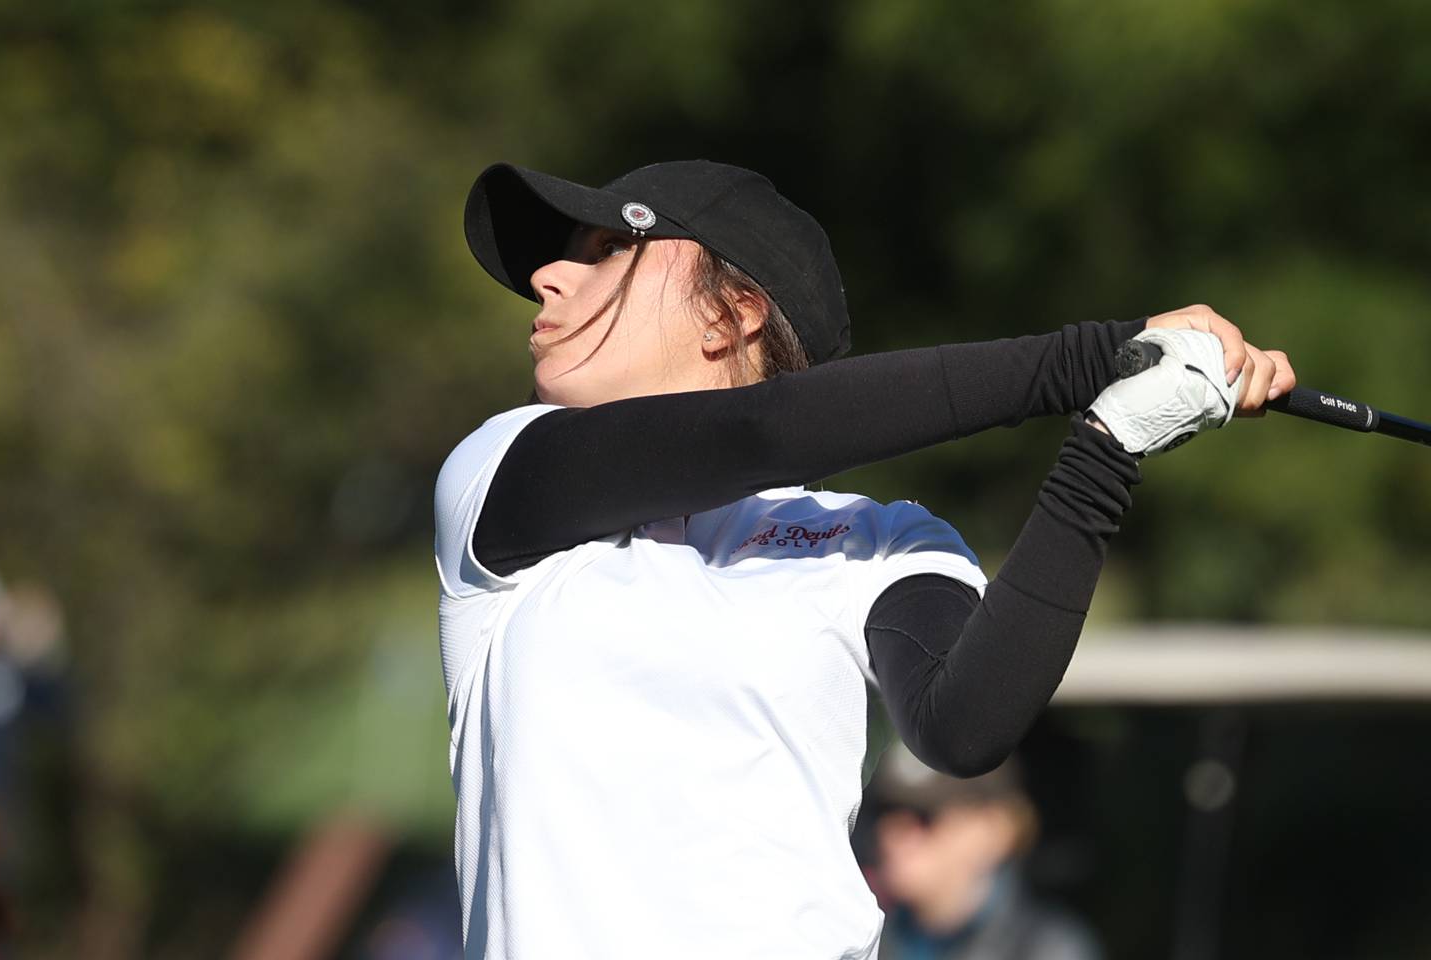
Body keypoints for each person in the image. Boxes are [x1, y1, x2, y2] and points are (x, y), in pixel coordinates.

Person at [433, 159, 1295, 959]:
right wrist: (1095, 354)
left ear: (731, 314)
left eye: (610, 246)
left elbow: (966, 729)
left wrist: (1109, 445)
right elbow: (762, 429)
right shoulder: (500, 472)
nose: (549, 278)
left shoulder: (879, 539)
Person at [869, 746, 1101, 960]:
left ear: (994, 830)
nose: (891, 834)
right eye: (884, 812)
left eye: (924, 818)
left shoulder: (1048, 949)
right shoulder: (859, 937)